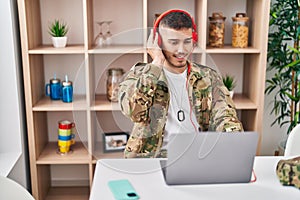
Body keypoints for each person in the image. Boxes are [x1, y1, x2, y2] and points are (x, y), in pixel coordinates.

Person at [118, 9, 243, 158]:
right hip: (152, 159)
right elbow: (133, 111)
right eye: (173, 43)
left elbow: (225, 115)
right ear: (158, 43)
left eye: (187, 42)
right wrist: (157, 62)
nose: (181, 50)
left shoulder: (209, 76)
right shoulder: (141, 74)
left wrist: (233, 140)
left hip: (197, 155)